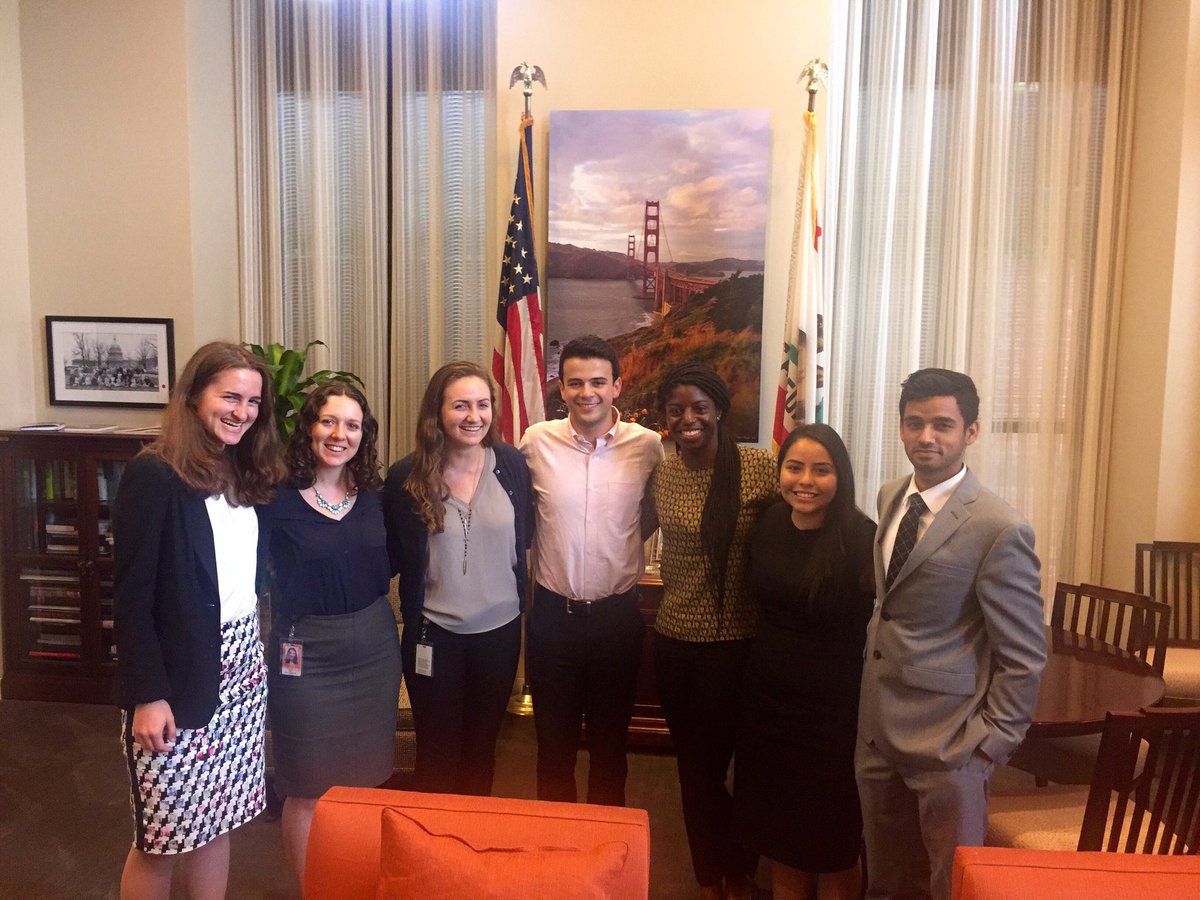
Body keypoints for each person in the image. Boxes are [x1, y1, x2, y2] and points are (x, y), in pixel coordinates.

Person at [856, 368, 1046, 900]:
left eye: (943, 424)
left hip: (950, 742)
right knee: (886, 878)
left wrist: (988, 747)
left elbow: (1024, 655)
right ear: (900, 428)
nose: (927, 437)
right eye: (914, 424)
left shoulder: (998, 527)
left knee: (950, 883)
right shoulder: (890, 496)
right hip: (876, 732)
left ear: (972, 431)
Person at [112, 341, 285, 899]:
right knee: (162, 838)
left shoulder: (243, 469)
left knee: (220, 819)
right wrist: (148, 694)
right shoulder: (154, 475)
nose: (242, 411)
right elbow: (131, 597)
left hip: (240, 670)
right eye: (229, 396)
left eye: (253, 401)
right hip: (177, 676)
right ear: (192, 396)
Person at [259, 381, 401, 888]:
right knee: (305, 784)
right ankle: (310, 890)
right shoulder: (273, 501)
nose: (340, 434)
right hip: (305, 654)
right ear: (309, 428)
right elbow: (253, 580)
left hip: (373, 649)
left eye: (353, 425)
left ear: (365, 434)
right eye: (329, 422)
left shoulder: (377, 500)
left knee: (366, 782)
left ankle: (355, 884)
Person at [648, 363, 776, 900]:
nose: (688, 419)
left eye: (699, 407)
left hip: (740, 646)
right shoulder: (662, 473)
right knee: (695, 774)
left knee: (748, 772)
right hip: (675, 642)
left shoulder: (759, 468)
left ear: (719, 410)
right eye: (676, 410)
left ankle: (740, 871)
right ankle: (709, 875)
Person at [519, 334, 664, 806]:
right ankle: (556, 860)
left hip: (616, 621)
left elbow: (655, 511)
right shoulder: (536, 442)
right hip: (551, 622)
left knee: (609, 751)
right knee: (553, 750)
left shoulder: (649, 447)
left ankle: (608, 856)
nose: (588, 393)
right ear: (561, 388)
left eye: (599, 382)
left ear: (618, 386)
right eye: (576, 382)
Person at [734, 424, 876, 900]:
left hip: (832, 713)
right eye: (794, 467)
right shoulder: (768, 522)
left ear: (841, 477)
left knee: (831, 840)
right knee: (780, 837)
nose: (805, 481)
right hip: (766, 704)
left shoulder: (862, 539)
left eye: (822, 470)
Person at [383, 362, 533, 795]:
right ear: (438, 412)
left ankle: (471, 849)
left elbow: (526, 534)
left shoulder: (511, 465)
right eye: (461, 405)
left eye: (483, 405)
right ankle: (430, 853)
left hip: (500, 635)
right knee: (437, 754)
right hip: (434, 636)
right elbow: (391, 554)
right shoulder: (405, 477)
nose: (474, 416)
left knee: (482, 752)